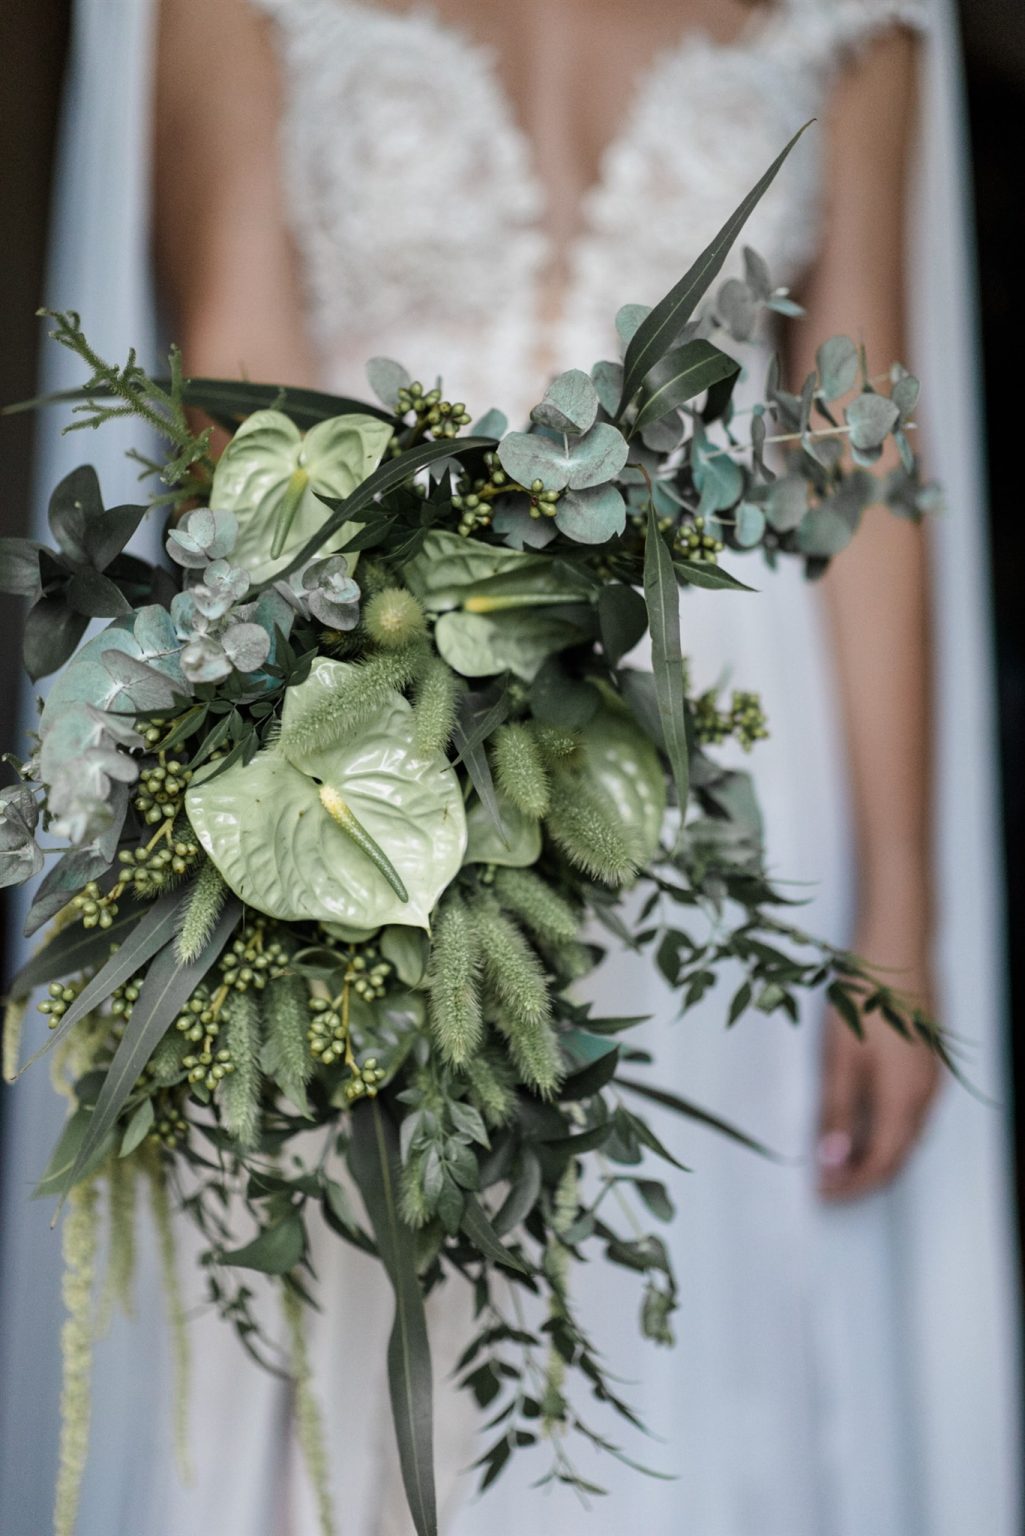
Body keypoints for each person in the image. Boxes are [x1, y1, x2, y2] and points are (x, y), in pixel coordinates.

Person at [0, 1, 1018, 1533]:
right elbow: (241, 368)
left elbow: (856, 455)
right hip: (359, 690)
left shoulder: (856, 18)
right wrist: (331, 760)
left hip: (724, 755)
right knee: (368, 1308)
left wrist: (902, 919)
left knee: (700, 1320)